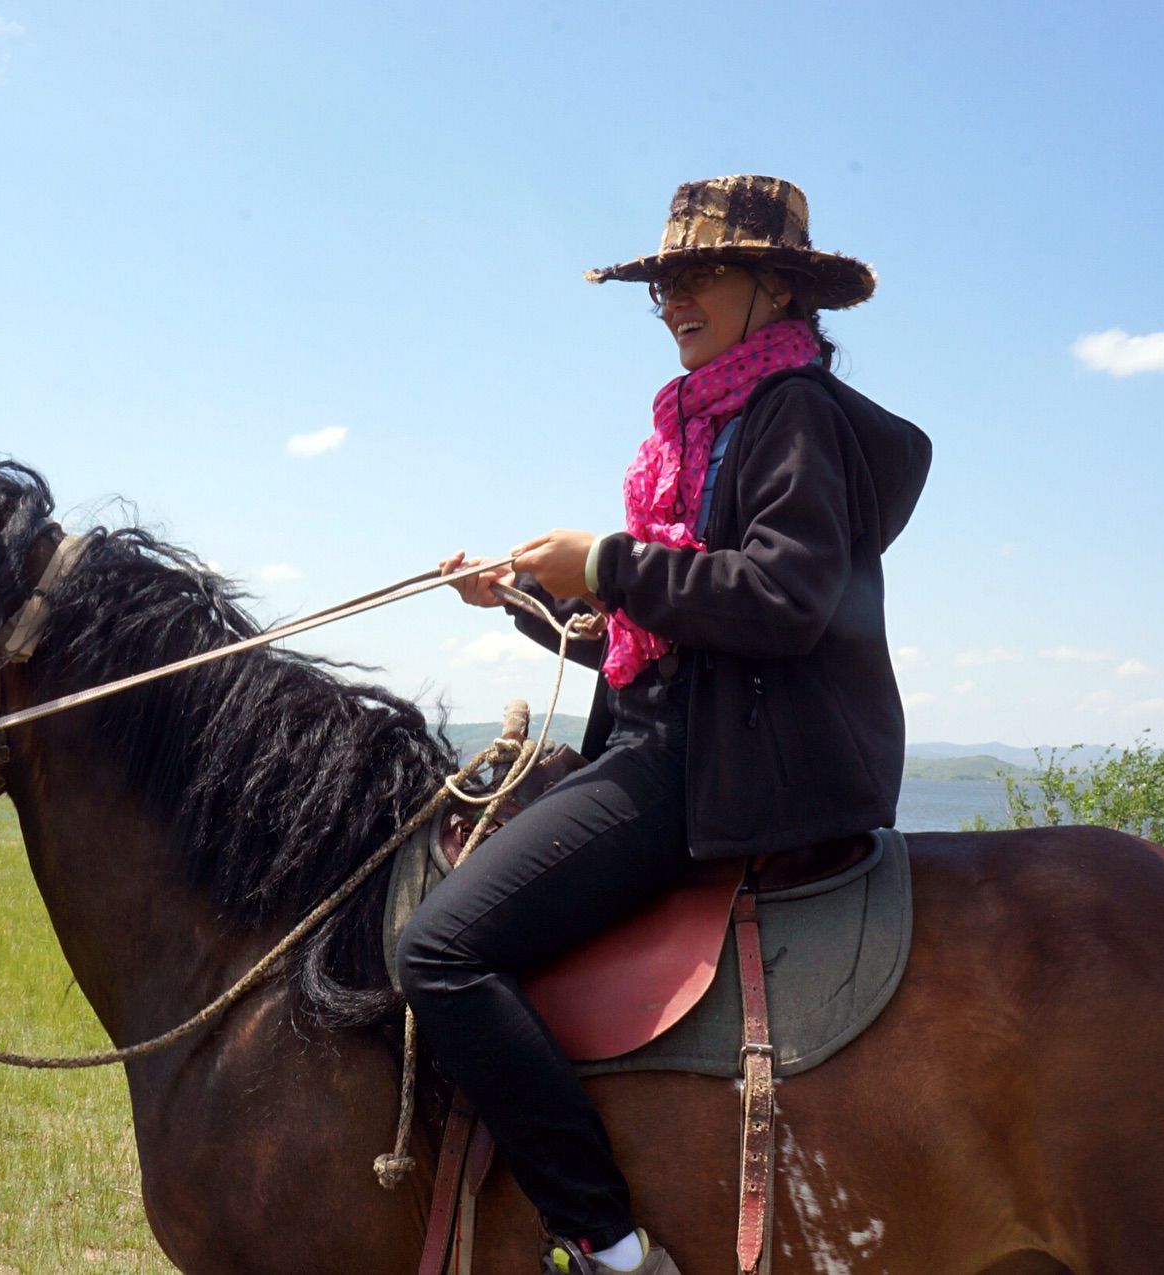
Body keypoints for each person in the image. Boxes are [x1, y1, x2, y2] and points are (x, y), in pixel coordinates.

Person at [399, 175, 932, 1275]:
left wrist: (603, 560)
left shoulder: (793, 415)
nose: (676, 301)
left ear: (776, 289)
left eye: (700, 276)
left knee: (440, 950)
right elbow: (664, 632)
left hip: (719, 770)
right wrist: (525, 603)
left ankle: (608, 1243)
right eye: (664, 286)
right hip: (684, 738)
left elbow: (782, 599)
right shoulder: (712, 424)